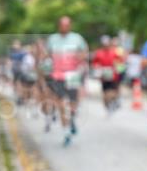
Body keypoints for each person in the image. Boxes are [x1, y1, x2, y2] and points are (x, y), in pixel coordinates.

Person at [45, 16, 88, 147]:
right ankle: (66, 132)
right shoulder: (52, 39)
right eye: (62, 25)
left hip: (72, 75)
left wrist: (80, 58)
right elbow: (47, 56)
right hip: (57, 75)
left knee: (73, 103)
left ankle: (72, 119)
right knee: (61, 104)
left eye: (67, 25)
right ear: (59, 26)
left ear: (70, 26)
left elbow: (84, 52)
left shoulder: (77, 38)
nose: (64, 27)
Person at [92, 35, 122, 114]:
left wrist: (118, 67)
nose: (106, 45)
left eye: (107, 44)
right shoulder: (99, 53)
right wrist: (97, 68)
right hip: (104, 76)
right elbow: (95, 63)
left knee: (112, 92)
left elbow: (120, 63)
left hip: (113, 76)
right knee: (105, 94)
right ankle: (108, 106)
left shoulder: (114, 52)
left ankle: (115, 100)